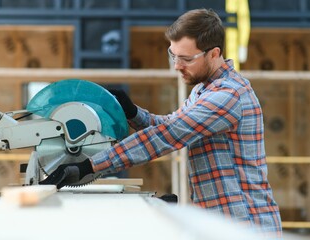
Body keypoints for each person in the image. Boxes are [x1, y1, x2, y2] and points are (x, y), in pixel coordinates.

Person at [40, 8, 282, 238]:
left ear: (214, 54)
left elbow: (168, 136)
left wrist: (87, 166)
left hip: (245, 226)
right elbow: (170, 123)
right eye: (173, 56)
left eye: (186, 59)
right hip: (220, 222)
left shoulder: (228, 95)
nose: (177, 66)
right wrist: (132, 112)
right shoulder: (203, 90)